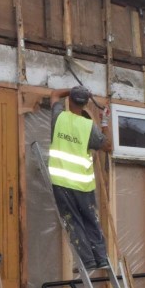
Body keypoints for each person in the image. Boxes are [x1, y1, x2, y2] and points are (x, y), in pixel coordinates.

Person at [47, 86, 113, 271]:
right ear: (85, 104)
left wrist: (73, 90)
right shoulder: (88, 126)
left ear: (69, 101)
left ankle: (87, 260)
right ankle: (101, 258)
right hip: (84, 184)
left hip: (62, 183)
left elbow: (54, 95)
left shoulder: (59, 117)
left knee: (73, 221)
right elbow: (108, 146)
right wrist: (105, 122)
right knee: (91, 220)